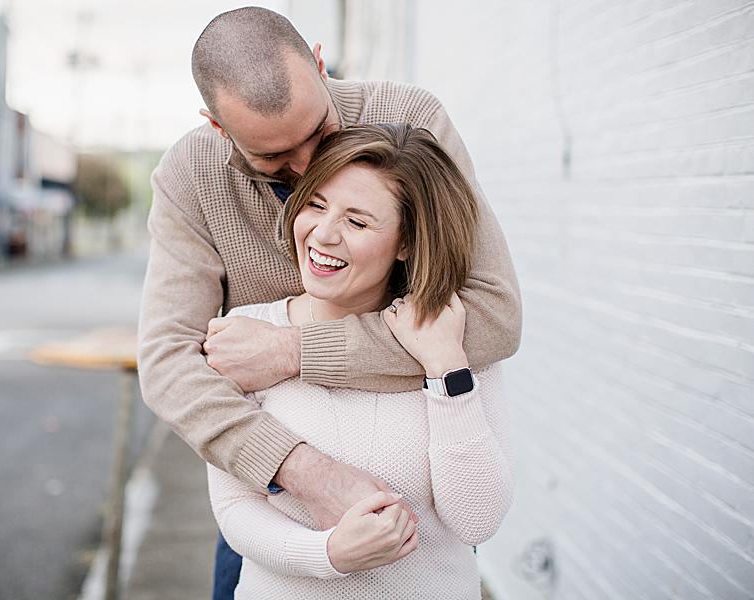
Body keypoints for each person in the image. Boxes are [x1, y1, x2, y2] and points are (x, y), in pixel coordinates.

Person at [136, 7, 521, 596]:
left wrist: (296, 351)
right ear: (217, 126)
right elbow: (168, 363)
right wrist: (303, 472)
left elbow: (492, 315)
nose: (311, 167)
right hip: (272, 499)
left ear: (320, 64)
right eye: (274, 160)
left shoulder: (410, 121)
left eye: (319, 133)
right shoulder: (191, 175)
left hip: (423, 496)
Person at [207, 123, 513, 599]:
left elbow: (477, 519)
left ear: (407, 242)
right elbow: (233, 508)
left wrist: (445, 369)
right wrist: (327, 554)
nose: (323, 235)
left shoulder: (451, 336)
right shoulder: (247, 335)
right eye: (315, 204)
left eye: (357, 221)